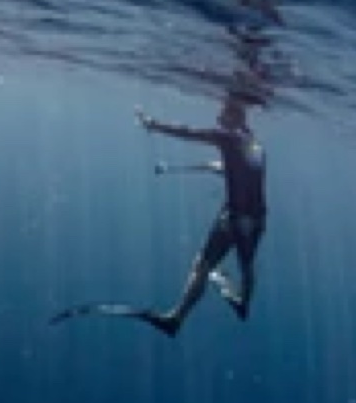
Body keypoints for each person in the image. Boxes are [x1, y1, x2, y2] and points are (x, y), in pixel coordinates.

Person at [49, 95, 267, 337]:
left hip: (234, 218)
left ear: (235, 114)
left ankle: (177, 318)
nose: (218, 116)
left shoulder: (228, 137)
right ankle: (243, 303)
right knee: (244, 265)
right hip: (253, 218)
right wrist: (215, 167)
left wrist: (153, 124)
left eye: (224, 111)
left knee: (204, 266)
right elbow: (246, 171)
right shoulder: (254, 143)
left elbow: (190, 132)